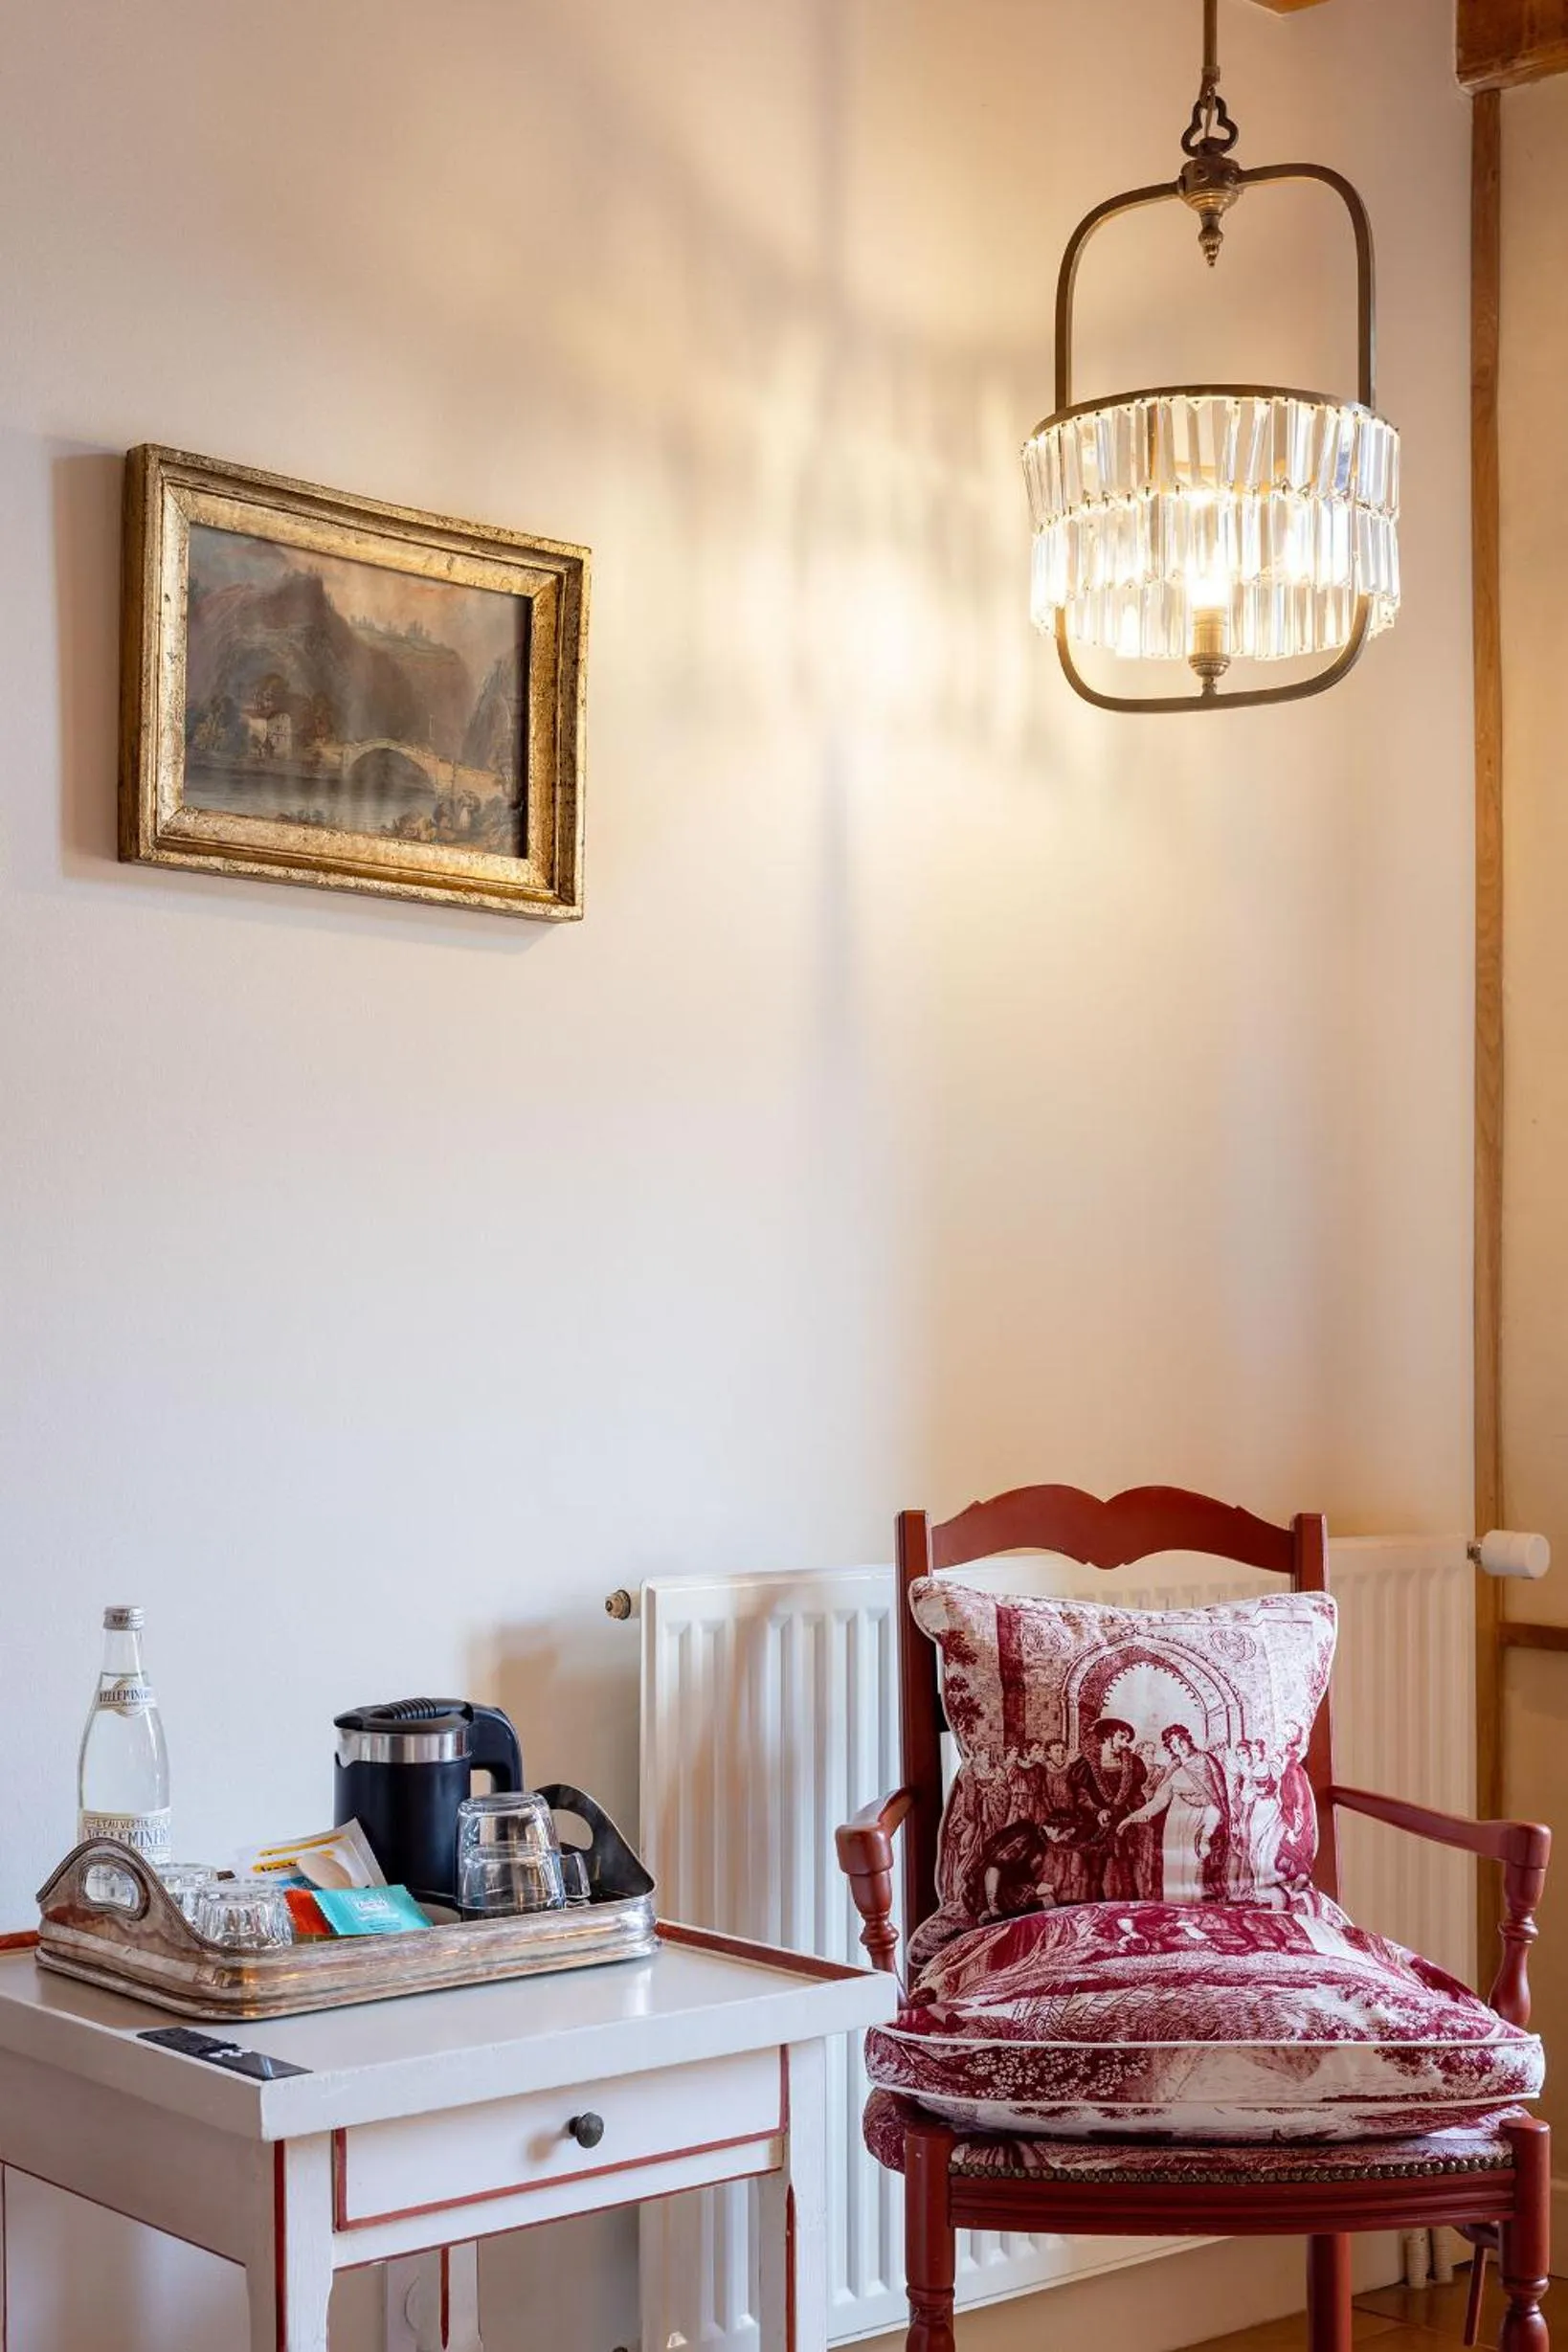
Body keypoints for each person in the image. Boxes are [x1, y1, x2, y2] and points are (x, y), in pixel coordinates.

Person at [1116, 1723, 1228, 1901]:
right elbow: (1160, 1801)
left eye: (1181, 1741)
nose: (1179, 1747)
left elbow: (1218, 1796)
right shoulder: (1174, 1767)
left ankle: (1198, 1914)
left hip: (1202, 1821)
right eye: (1174, 1745)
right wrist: (1131, 1818)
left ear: (1188, 1740)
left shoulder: (1207, 1761)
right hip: (1176, 1826)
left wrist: (1212, 1826)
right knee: (1176, 1874)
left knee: (1197, 1871)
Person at [1066, 1716, 1147, 1899]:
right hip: (1095, 1824)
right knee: (1095, 1871)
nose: (1125, 1743)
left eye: (1127, 1739)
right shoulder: (1085, 1764)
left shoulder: (1133, 1763)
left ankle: (1130, 1909)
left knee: (1126, 1869)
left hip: (1124, 1822)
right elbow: (1081, 1796)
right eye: (1121, 1738)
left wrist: (1137, 1814)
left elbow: (1136, 1795)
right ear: (1107, 1737)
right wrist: (1097, 1811)